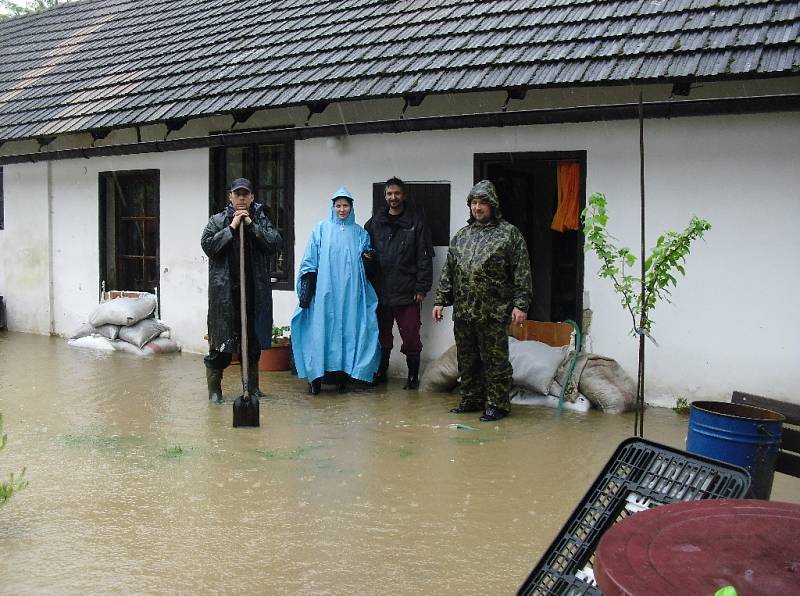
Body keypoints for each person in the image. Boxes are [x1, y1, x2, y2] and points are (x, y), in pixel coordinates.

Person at [432, 180, 532, 422]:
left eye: (482, 203)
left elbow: (522, 271)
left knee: (495, 360)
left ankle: (498, 404)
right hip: (464, 312)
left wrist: (521, 304)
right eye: (474, 203)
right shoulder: (461, 236)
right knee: (467, 359)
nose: (477, 208)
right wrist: (440, 300)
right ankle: (471, 399)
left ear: (493, 205)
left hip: (493, 311)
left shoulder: (509, 234)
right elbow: (449, 271)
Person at [291, 186, 381, 394]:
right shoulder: (321, 229)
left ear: (351, 207)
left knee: (350, 331)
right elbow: (310, 260)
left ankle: (343, 377)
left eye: (346, 205)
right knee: (321, 329)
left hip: (351, 293)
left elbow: (367, 263)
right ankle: (315, 379)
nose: (342, 209)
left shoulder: (360, 233)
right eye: (338, 205)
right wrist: (307, 287)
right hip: (325, 292)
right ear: (333, 207)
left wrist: (369, 259)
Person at [201, 177, 283, 403]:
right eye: (237, 194)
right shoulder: (217, 221)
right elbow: (209, 246)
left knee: (252, 343)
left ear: (252, 197)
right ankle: (215, 392)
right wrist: (231, 228)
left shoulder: (260, 218)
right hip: (225, 296)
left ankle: (252, 388)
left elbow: (274, 243)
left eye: (245, 194)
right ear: (230, 197)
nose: (241, 198)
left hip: (254, 294)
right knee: (221, 346)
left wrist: (251, 226)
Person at [364, 177, 433, 389]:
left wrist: (421, 287)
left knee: (411, 335)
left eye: (397, 194)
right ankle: (381, 371)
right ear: (385, 196)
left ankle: (412, 377)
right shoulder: (374, 223)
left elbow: (424, 257)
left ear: (403, 195)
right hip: (381, 290)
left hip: (407, 290)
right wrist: (368, 259)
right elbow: (365, 251)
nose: (393, 198)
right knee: (382, 336)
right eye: (389, 194)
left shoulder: (416, 223)